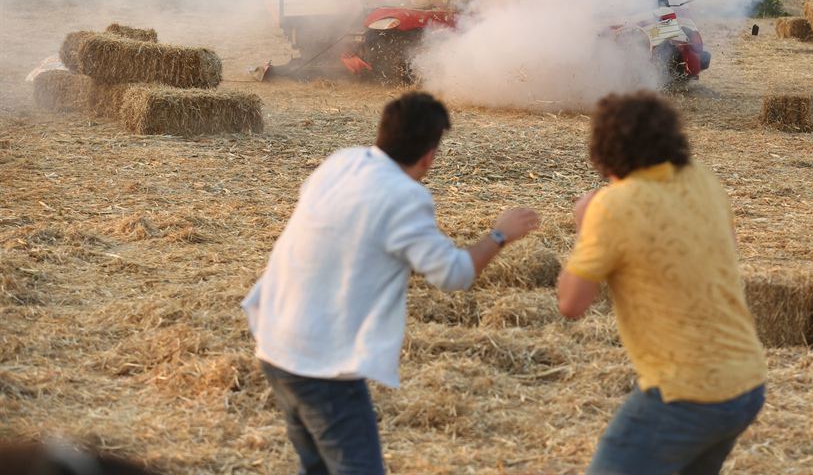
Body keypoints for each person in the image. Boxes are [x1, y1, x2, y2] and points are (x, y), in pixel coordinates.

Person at [243, 92, 539, 475]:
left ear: (382, 131)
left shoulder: (341, 163)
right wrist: (499, 235)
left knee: (316, 467)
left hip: (275, 339)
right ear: (430, 155)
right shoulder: (404, 196)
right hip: (321, 363)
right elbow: (454, 274)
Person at [557, 91, 766, 475]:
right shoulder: (701, 179)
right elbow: (728, 252)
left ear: (603, 151)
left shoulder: (613, 205)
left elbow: (571, 303)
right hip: (747, 383)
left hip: (686, 393)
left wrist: (584, 226)